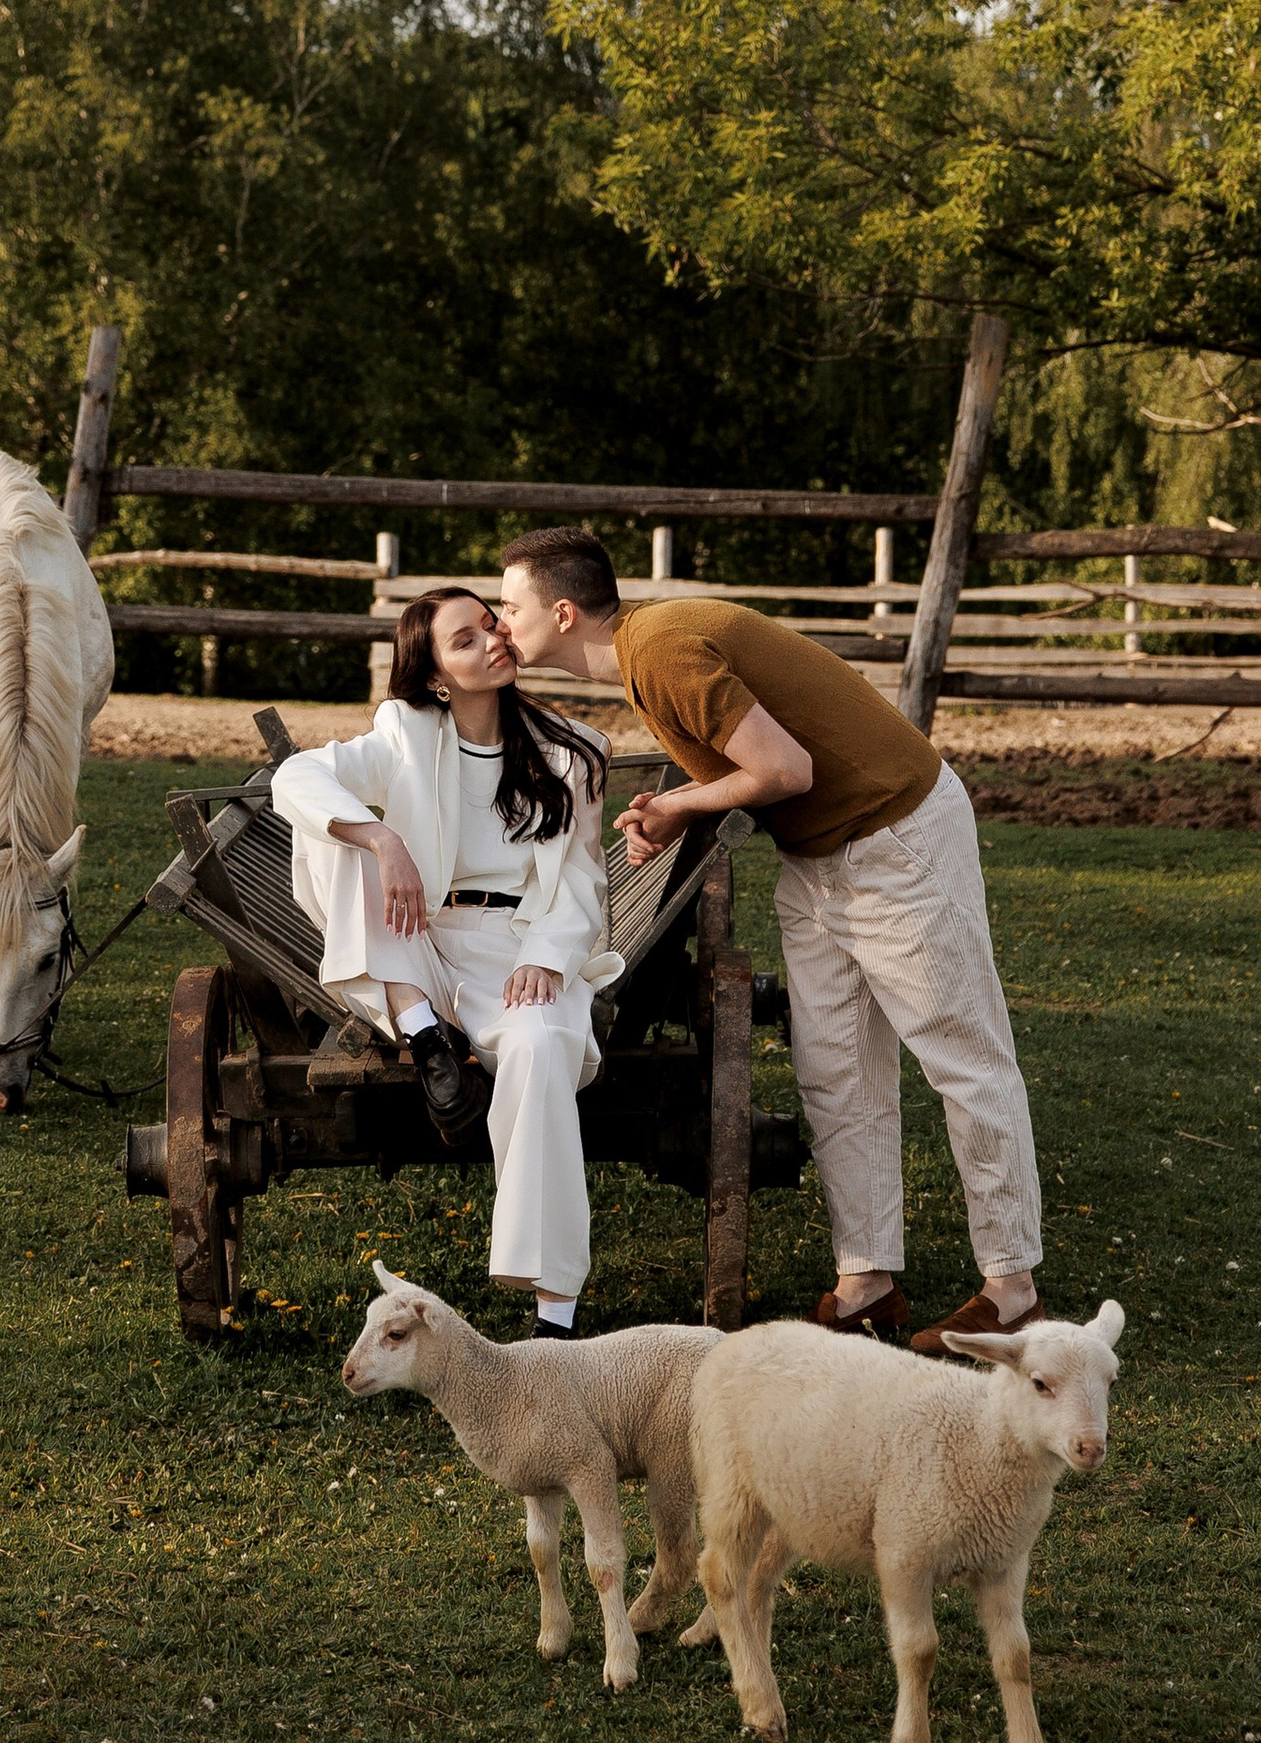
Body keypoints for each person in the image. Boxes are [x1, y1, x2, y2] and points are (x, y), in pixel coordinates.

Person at [494, 530, 1044, 1350]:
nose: (501, 622)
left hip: (894, 834)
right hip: (818, 855)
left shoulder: (662, 650)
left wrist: (680, 806)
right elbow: (758, 766)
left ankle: (1012, 1290)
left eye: (510, 606)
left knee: (962, 1059)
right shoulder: (647, 653)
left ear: (563, 612)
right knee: (834, 1070)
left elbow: (786, 771)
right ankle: (865, 1284)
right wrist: (684, 801)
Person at [275, 589, 619, 1338]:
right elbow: (293, 778)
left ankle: (554, 1312)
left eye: (491, 624)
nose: (493, 640)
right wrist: (383, 840)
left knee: (541, 1045)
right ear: (435, 676)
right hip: (416, 943)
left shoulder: (572, 750)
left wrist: (549, 958)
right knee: (345, 830)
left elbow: (587, 880)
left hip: (518, 944)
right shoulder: (402, 731)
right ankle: (425, 1033)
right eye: (465, 641)